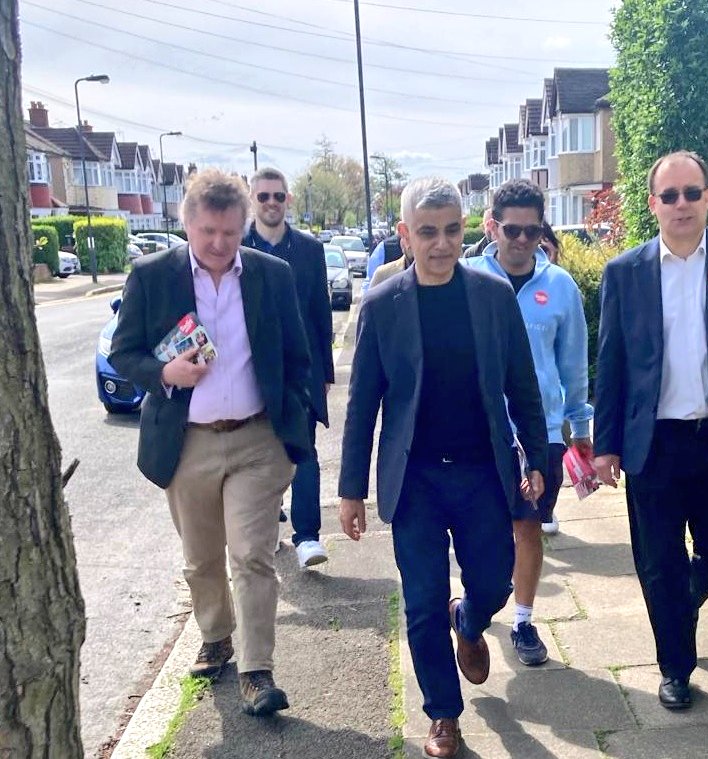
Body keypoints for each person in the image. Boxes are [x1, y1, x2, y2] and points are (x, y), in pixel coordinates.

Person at [338, 177, 548, 758]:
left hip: (484, 470)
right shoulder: (383, 306)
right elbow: (363, 404)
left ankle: (471, 618)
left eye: (451, 230)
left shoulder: (491, 297)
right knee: (421, 599)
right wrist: (351, 490)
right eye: (426, 232)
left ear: (465, 229)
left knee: (495, 581)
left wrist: (536, 456)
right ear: (405, 234)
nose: (440, 243)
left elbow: (521, 385)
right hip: (416, 480)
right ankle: (443, 714)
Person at [110, 168, 313, 716]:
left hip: (256, 439)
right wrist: (165, 373)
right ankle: (216, 635)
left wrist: (300, 417)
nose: (219, 244)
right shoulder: (153, 277)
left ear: (243, 224)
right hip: (187, 442)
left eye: (229, 232)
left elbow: (298, 355)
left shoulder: (272, 275)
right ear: (187, 225)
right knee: (201, 559)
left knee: (252, 555)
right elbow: (125, 354)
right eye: (207, 233)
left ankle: (257, 671)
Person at [593, 150, 708, 711]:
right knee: (659, 561)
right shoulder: (624, 272)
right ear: (652, 204)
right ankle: (675, 667)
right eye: (669, 195)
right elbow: (612, 363)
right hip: (652, 443)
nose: (681, 204)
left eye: (691, 193)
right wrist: (605, 446)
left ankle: (679, 607)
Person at [464, 178, 593, 667]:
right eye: (512, 230)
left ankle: (522, 621)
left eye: (532, 231)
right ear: (492, 226)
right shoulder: (465, 277)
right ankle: (476, 604)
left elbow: (573, 363)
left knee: (528, 528)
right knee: (480, 533)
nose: (521, 241)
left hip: (536, 434)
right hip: (475, 430)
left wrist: (579, 429)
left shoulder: (560, 288)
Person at [243, 167, 335, 570]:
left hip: (301, 370)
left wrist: (326, 371)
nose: (271, 204)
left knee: (304, 452)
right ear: (252, 200)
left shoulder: (310, 251)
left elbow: (320, 314)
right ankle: (264, 529)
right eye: (263, 197)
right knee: (256, 453)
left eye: (278, 196)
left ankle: (308, 536)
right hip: (249, 371)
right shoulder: (236, 247)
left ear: (288, 200)